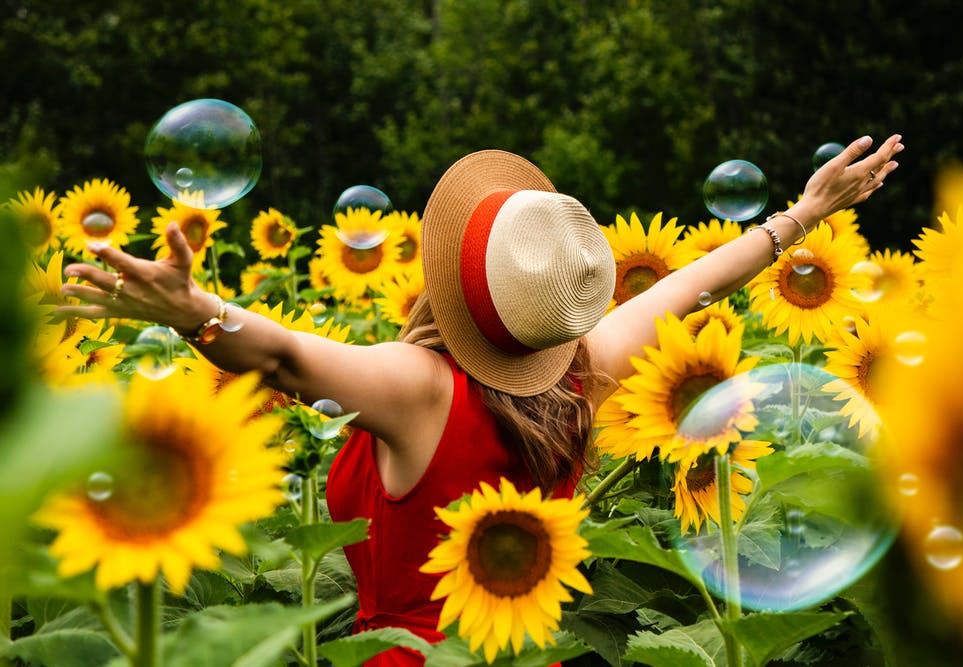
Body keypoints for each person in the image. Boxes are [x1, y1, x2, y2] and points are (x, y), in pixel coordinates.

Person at [58, 134, 904, 665]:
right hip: (537, 653)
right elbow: (684, 288)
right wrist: (802, 214)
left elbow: (284, 356)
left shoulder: (418, 387)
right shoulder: (585, 366)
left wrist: (189, 311)